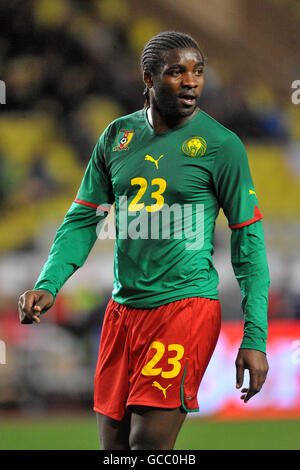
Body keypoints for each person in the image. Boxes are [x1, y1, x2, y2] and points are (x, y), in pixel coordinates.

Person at [18, 31, 270, 450]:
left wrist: (255, 337)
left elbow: (249, 242)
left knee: (147, 445)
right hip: (123, 312)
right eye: (176, 72)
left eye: (198, 71)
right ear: (149, 79)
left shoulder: (222, 146)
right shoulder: (117, 137)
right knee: (114, 449)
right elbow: (84, 218)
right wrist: (49, 282)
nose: (191, 81)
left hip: (185, 307)